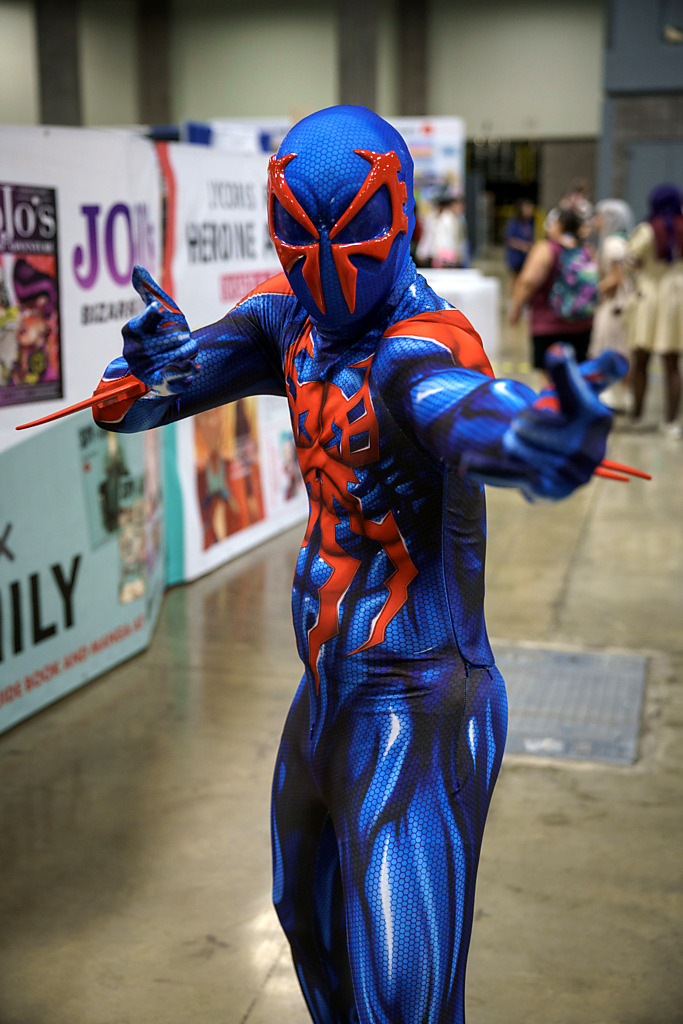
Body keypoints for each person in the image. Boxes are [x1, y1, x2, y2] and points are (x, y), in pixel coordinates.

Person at [89, 106, 626, 1024]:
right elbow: (129, 409)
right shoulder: (283, 321)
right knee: (311, 927)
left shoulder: (418, 348)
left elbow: (467, 409)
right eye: (301, 236)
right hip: (327, 691)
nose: (324, 263)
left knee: (402, 1001)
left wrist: (539, 436)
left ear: (399, 217)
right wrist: (152, 366)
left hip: (419, 701)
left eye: (350, 235)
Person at [509, 207, 597, 374]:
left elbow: (528, 281)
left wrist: (516, 308)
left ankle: (552, 401)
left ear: (559, 225)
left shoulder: (547, 249)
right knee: (575, 377)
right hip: (582, 324)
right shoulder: (587, 251)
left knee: (550, 380)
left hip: (548, 324)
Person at [626, 183, 683, 437]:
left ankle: (637, 415)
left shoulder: (648, 230)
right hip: (676, 297)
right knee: (672, 363)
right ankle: (671, 422)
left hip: (649, 296)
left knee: (641, 359)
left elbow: (632, 260)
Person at [589, 199, 635, 413]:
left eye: (599, 217)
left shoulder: (612, 244)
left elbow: (615, 278)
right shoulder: (626, 240)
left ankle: (614, 396)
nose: (596, 222)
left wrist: (589, 289)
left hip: (614, 305)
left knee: (610, 350)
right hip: (626, 304)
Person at [415, 189, 469, 268]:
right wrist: (421, 252)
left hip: (448, 256)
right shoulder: (433, 217)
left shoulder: (451, 219)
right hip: (436, 255)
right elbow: (428, 236)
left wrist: (458, 254)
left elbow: (456, 239)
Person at [504, 198, 535, 283]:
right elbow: (509, 240)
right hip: (516, 257)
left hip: (526, 258)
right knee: (515, 279)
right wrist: (523, 246)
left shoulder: (529, 223)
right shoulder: (513, 223)